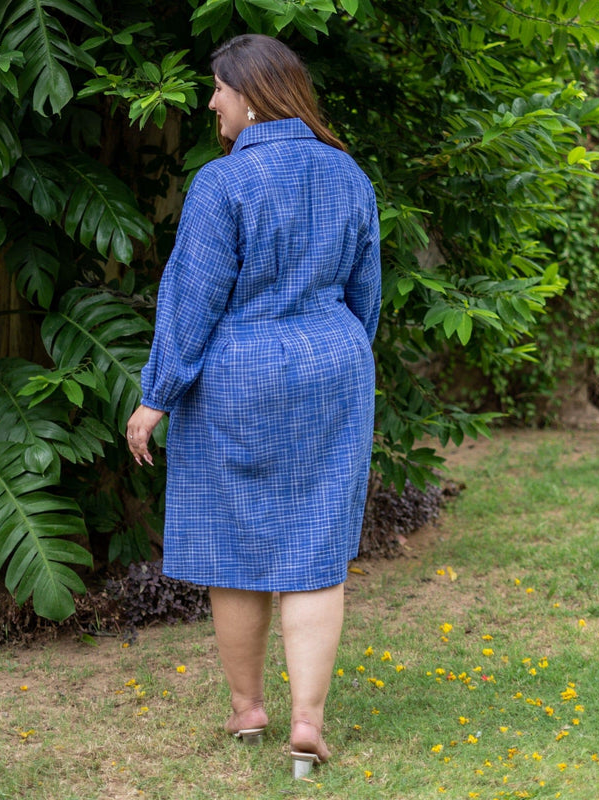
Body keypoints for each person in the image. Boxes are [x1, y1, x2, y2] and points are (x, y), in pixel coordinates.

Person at [126, 33, 381, 778]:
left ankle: (247, 710)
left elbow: (193, 301)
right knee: (314, 550)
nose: (211, 103)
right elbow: (365, 292)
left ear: (253, 92)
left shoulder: (221, 184)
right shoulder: (348, 174)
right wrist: (339, 354)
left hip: (239, 370)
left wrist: (156, 398)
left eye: (218, 88)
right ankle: (308, 722)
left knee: (232, 545)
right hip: (333, 363)